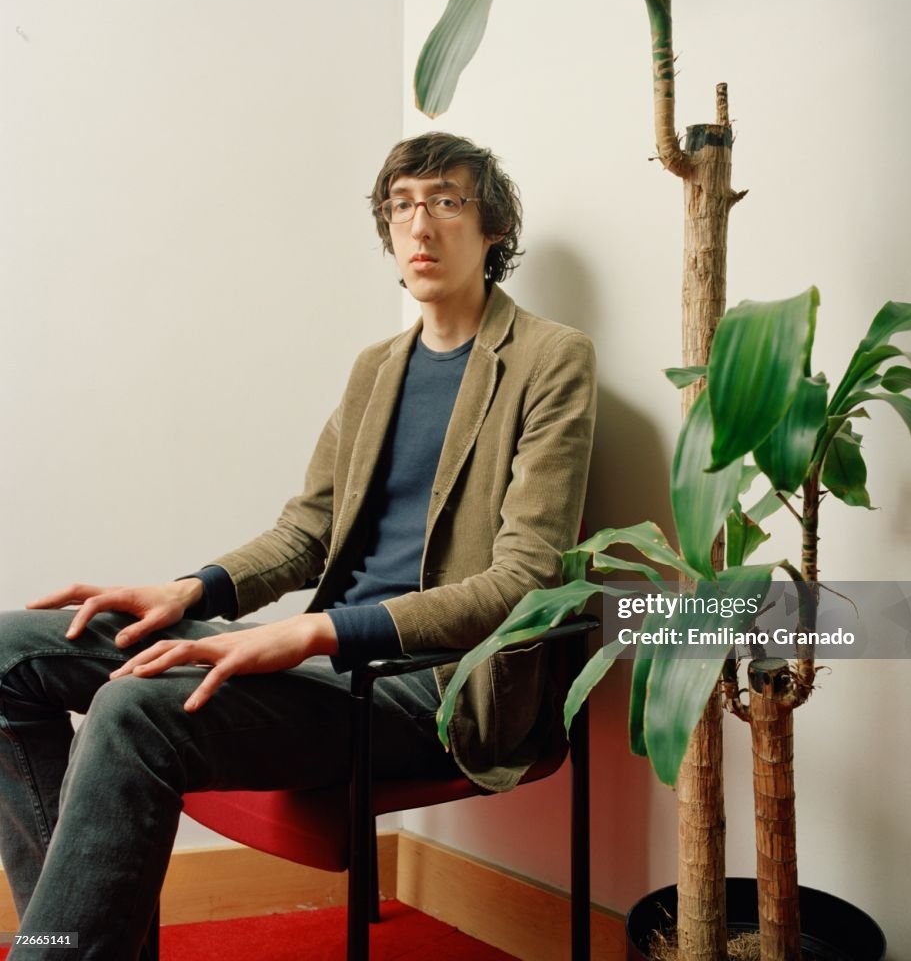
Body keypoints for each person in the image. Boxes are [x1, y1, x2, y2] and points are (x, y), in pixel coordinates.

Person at [0, 132, 596, 960]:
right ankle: (75, 941)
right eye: (401, 205)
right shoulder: (377, 368)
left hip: (424, 685)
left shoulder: (548, 359)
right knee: (8, 651)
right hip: (324, 666)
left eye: (447, 201)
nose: (420, 224)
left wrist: (311, 634)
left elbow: (523, 579)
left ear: (493, 227)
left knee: (134, 707)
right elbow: (307, 532)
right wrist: (195, 592)